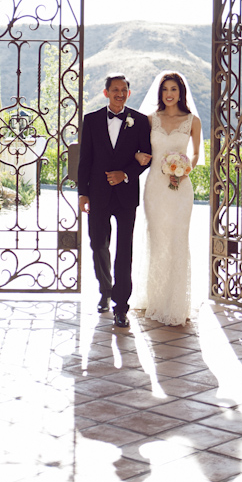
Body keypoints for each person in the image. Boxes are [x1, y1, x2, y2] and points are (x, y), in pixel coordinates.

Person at [78, 74, 152, 328]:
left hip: (126, 195)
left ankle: (121, 306)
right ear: (106, 92)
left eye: (124, 90)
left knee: (124, 250)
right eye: (115, 89)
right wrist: (82, 193)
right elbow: (85, 159)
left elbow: (146, 157)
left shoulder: (140, 122)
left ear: (129, 94)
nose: (120, 93)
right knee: (98, 243)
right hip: (97, 193)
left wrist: (126, 174)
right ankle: (105, 290)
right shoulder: (91, 120)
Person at [132, 72, 202, 326]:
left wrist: (184, 170)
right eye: (165, 90)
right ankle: (155, 299)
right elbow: (139, 149)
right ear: (160, 94)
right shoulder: (150, 120)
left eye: (174, 89)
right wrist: (139, 157)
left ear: (181, 92)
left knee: (177, 239)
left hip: (181, 188)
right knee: (158, 238)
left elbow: (195, 155)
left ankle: (176, 303)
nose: (169, 93)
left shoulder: (193, 121)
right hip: (155, 187)